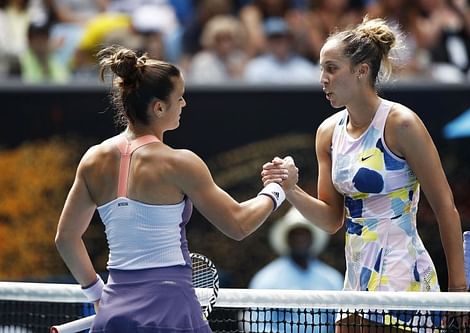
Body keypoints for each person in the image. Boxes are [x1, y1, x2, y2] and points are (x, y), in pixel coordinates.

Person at [54, 45, 295, 332]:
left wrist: (96, 295)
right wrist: (277, 189)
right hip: (172, 308)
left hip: (115, 311)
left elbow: (66, 238)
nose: (184, 104)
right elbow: (238, 224)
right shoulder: (179, 163)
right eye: (179, 98)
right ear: (158, 107)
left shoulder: (93, 159)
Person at [261, 17, 469, 332]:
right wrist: (291, 189)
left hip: (402, 277)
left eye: (332, 68)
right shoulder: (327, 133)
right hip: (355, 281)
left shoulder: (401, 124)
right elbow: (332, 220)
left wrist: (459, 292)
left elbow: (445, 208)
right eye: (321, 68)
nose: (323, 78)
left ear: (361, 71)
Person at [247, 206, 344, 332]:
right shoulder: (266, 279)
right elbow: (258, 326)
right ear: (287, 239)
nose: (300, 239)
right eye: (295, 234)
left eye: (304, 234)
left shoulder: (332, 279)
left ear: (312, 238)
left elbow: (339, 323)